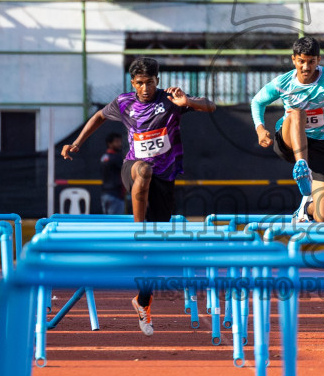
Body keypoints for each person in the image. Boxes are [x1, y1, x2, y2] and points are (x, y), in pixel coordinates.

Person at [63, 57, 215, 334]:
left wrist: (188, 102)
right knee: (143, 170)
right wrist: (77, 142)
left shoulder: (171, 100)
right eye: (140, 83)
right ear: (133, 83)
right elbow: (98, 117)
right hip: (133, 170)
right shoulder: (124, 103)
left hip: (164, 179)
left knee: (156, 253)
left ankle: (143, 300)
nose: (145, 88)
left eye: (150, 82)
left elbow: (211, 106)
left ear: (158, 80)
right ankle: (138, 232)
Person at [251, 36, 324, 224]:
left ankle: (306, 208)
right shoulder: (283, 82)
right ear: (294, 60)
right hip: (289, 141)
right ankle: (302, 167)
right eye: (301, 61)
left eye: (311, 62)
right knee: (297, 113)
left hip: (319, 145)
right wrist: (260, 128)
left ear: (318, 60)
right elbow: (257, 101)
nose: (306, 67)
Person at [98, 133, 127, 215]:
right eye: (117, 141)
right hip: (115, 195)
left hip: (105, 194)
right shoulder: (116, 157)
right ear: (109, 143)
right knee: (116, 221)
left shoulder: (104, 157)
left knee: (107, 220)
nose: (120, 144)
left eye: (120, 141)